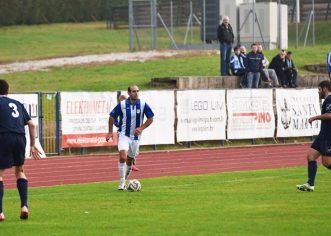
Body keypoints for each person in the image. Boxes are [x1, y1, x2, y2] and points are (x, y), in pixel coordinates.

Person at [0, 79, 41, 222]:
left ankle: (0, 212)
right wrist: (33, 144)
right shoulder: (17, 104)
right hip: (20, 138)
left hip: (4, 136)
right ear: (7, 90)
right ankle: (24, 206)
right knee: (20, 171)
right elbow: (31, 124)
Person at [106, 85, 154, 190]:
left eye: (137, 91)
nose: (136, 93)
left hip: (136, 137)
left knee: (130, 160)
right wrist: (110, 132)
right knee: (123, 157)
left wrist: (141, 128)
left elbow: (151, 118)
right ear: (129, 93)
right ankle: (122, 183)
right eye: (133, 91)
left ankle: (125, 180)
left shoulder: (142, 104)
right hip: (123, 135)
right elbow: (111, 116)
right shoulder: (122, 104)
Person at [296, 80, 331, 192]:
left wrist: (314, 118)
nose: (318, 92)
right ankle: (310, 184)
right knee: (310, 156)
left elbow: (330, 115)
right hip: (323, 135)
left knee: (326, 163)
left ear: (325, 88)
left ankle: (310, 184)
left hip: (328, 136)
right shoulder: (327, 99)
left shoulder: (330, 99)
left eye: (319, 89)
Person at [115, 94, 139, 171]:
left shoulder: (131, 107)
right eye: (121, 100)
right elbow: (114, 118)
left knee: (133, 151)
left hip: (132, 133)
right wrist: (118, 124)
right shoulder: (119, 108)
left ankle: (132, 164)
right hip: (122, 132)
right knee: (124, 150)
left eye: (124, 100)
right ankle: (126, 164)